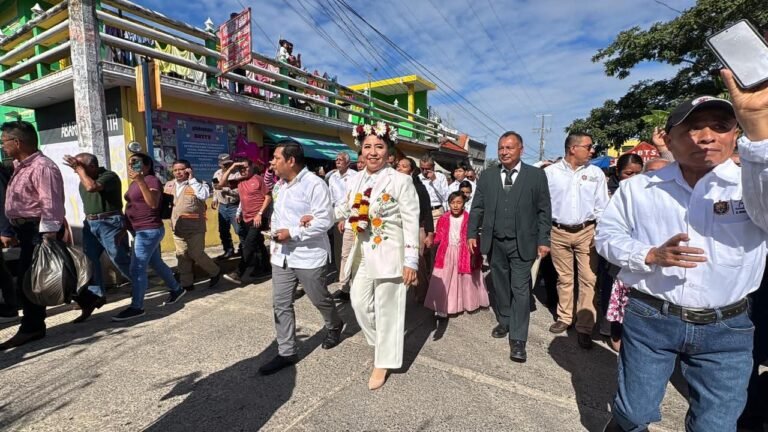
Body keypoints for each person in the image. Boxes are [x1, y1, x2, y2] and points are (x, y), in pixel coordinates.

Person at [596, 72, 768, 432]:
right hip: (651, 319)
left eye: (720, 126)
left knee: (716, 426)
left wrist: (761, 136)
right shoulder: (640, 188)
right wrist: (648, 255)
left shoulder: (751, 182)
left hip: (728, 327)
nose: (706, 137)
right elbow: (607, 236)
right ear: (669, 139)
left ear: (735, 134)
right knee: (633, 415)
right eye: (692, 128)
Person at [338, 122, 419, 390]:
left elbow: (410, 221)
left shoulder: (401, 181)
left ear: (389, 151)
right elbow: (345, 206)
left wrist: (411, 261)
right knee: (358, 303)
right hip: (362, 251)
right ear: (361, 150)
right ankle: (384, 343)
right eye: (368, 147)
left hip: (390, 252)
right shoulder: (356, 177)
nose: (372, 152)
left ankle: (383, 361)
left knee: (389, 309)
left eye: (379, 147)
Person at [258, 140, 343, 375]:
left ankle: (334, 324)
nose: (271, 162)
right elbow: (278, 215)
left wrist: (293, 233)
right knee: (281, 304)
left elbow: (325, 221)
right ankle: (287, 351)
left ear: (291, 160)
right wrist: (274, 234)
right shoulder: (280, 186)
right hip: (282, 256)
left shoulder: (315, 184)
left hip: (308, 256)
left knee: (320, 299)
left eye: (276, 157)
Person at [468, 131, 552, 363]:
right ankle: (504, 320)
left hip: (523, 243)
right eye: (501, 148)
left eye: (509, 148)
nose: (504, 152)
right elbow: (477, 207)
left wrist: (544, 240)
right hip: (495, 242)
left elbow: (544, 210)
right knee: (501, 285)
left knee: (521, 290)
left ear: (521, 150)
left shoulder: (535, 176)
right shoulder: (487, 176)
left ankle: (518, 339)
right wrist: (472, 233)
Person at [0, 121, 65, 349]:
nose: (2, 146)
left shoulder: (42, 167)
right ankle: (88, 297)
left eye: (4, 141)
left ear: (17, 142)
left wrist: (48, 237)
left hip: (37, 231)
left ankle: (32, 328)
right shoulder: (20, 165)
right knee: (50, 275)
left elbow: (51, 203)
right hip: (24, 230)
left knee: (31, 282)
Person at [544, 132, 609, 349]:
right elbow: (543, 206)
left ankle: (584, 327)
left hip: (587, 232)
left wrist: (601, 233)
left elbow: (601, 206)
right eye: (588, 147)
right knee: (564, 278)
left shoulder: (596, 173)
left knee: (589, 279)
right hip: (558, 231)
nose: (592, 151)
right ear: (573, 148)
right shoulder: (551, 173)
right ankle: (565, 317)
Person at [113, 152, 185, 322]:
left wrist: (139, 180)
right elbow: (131, 206)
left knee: (137, 268)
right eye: (130, 163)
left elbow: (152, 203)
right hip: (138, 230)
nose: (132, 166)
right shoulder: (134, 183)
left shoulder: (151, 180)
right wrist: (124, 229)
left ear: (146, 166)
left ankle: (136, 307)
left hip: (148, 230)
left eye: (136, 163)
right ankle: (176, 288)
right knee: (155, 262)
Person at [63, 152, 131, 323]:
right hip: (90, 224)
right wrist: (80, 170)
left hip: (110, 222)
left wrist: (80, 170)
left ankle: (138, 284)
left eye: (79, 167)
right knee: (89, 261)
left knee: (118, 258)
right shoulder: (84, 178)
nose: (76, 171)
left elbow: (92, 187)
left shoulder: (109, 176)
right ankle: (96, 296)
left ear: (92, 166)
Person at [598, 154, 643, 351]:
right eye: (628, 173)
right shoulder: (611, 194)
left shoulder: (648, 193)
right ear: (618, 173)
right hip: (616, 255)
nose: (633, 178)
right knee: (613, 291)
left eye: (638, 173)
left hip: (643, 255)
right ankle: (613, 328)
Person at [424, 191, 487, 318]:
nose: (455, 206)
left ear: (464, 204)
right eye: (452, 203)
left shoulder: (469, 218)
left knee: (466, 279)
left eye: (459, 202)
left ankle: (467, 303)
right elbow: (440, 235)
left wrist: (476, 253)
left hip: (464, 252)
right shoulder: (444, 218)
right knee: (445, 279)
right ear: (449, 204)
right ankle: (441, 307)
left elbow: (474, 236)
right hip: (446, 252)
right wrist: (432, 241)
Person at [164, 160, 221, 291]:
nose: (178, 172)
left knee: (196, 254)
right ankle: (187, 283)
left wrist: (192, 180)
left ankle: (215, 271)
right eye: (175, 170)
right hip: (177, 226)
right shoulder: (169, 185)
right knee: (182, 255)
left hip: (195, 227)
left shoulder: (200, 184)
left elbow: (203, 195)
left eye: (181, 169)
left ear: (188, 170)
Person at [221, 158, 272, 283]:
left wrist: (260, 214)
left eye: (245, 167)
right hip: (246, 218)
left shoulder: (258, 179)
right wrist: (232, 168)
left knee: (248, 244)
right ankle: (266, 268)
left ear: (251, 167)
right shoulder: (240, 181)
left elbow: (268, 197)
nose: (243, 170)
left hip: (258, 218)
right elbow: (222, 184)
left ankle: (239, 272)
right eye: (241, 168)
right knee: (258, 244)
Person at [395, 157, 435, 302]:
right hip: (398, 229)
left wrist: (429, 233)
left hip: (417, 230)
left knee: (418, 263)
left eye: (404, 166)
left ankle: (422, 293)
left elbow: (427, 212)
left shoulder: (418, 188)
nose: (399, 168)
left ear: (411, 171)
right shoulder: (392, 186)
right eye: (398, 165)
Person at [327, 151, 356, 285]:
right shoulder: (332, 177)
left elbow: (352, 198)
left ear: (348, 162)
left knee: (347, 250)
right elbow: (331, 197)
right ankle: (341, 275)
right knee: (338, 249)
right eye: (336, 159)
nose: (338, 161)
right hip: (336, 214)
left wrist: (345, 218)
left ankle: (348, 279)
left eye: (341, 159)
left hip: (348, 216)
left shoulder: (354, 176)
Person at [212, 153, 242, 260]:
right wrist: (215, 198)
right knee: (223, 230)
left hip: (235, 205)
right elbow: (215, 188)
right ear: (220, 164)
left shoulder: (237, 174)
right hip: (222, 205)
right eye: (223, 164)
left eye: (228, 163)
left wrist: (225, 189)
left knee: (239, 230)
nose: (226, 166)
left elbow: (240, 192)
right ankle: (228, 250)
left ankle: (243, 249)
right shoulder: (216, 174)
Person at [418, 154, 450, 224]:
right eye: (422, 168)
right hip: (423, 212)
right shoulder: (417, 178)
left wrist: (434, 180)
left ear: (433, 167)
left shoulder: (441, 177)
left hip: (437, 211)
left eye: (427, 169)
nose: (424, 171)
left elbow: (445, 197)